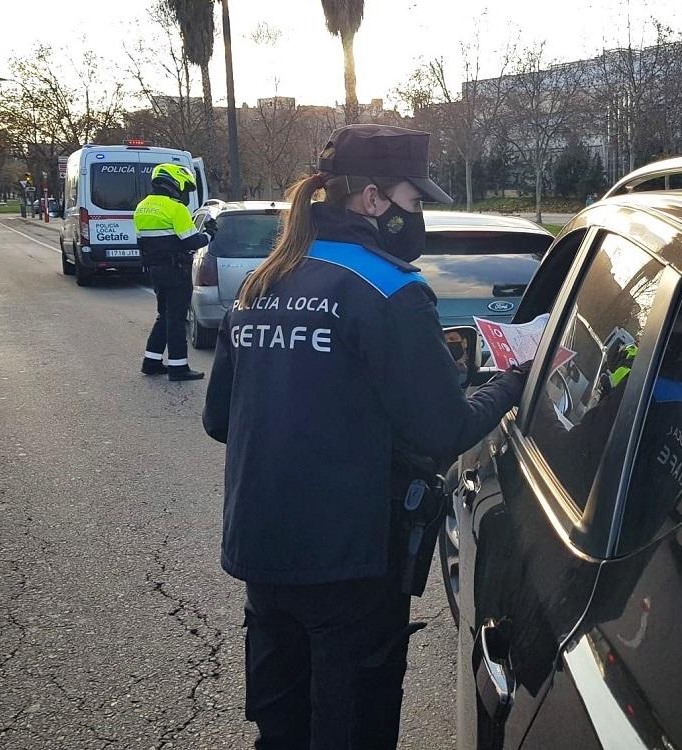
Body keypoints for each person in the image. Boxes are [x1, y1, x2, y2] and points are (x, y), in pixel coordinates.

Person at [201, 124, 529, 749]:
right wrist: (517, 380)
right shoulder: (391, 290)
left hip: (263, 555)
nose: (419, 216)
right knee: (352, 727)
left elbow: (219, 420)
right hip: (350, 563)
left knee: (283, 728)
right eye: (414, 202)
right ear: (373, 201)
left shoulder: (262, 283)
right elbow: (444, 430)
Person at [135, 163, 214, 381]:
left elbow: (142, 241)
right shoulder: (176, 208)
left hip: (155, 270)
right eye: (183, 187)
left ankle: (150, 362)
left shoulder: (142, 207)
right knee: (178, 319)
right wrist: (209, 234)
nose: (183, 192)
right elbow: (191, 241)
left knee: (164, 315)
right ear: (174, 182)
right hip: (176, 270)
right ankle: (179, 367)